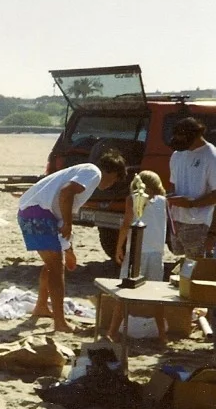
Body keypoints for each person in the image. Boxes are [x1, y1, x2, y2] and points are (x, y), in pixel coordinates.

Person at [17, 151, 126, 332]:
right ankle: (60, 322)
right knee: (55, 266)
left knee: (51, 264)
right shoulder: (93, 172)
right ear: (112, 173)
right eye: (115, 179)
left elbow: (62, 213)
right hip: (37, 213)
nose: (113, 183)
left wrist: (69, 250)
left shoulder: (84, 172)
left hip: (35, 212)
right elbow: (66, 192)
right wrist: (68, 223)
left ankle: (41, 306)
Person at [108, 170, 167, 344]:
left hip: (137, 251)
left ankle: (112, 332)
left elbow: (127, 223)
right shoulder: (163, 202)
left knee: (124, 293)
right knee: (157, 296)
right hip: (157, 253)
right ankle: (162, 336)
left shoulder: (132, 199)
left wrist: (119, 246)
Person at [166, 117, 216, 259]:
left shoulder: (211, 156)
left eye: (180, 139)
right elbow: (173, 185)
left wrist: (191, 204)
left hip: (200, 224)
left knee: (197, 267)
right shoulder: (177, 155)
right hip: (177, 221)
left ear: (193, 136)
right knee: (183, 265)